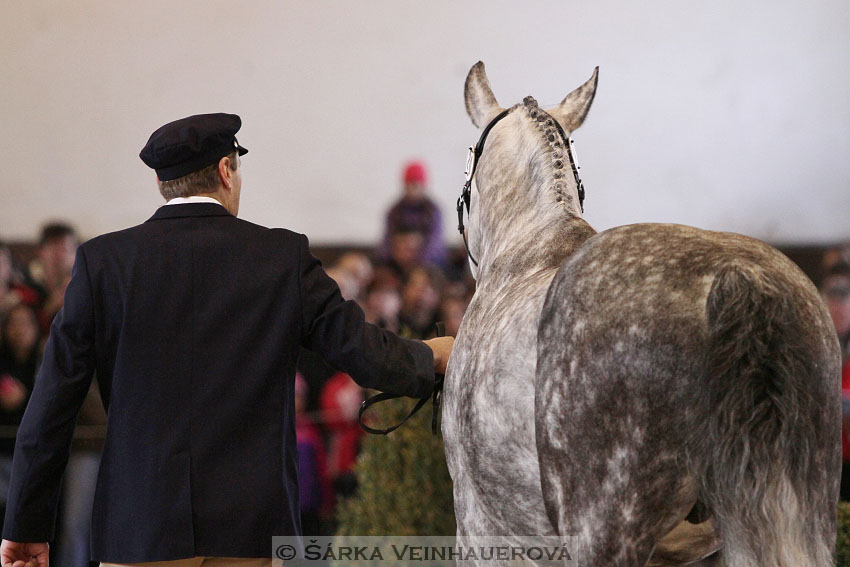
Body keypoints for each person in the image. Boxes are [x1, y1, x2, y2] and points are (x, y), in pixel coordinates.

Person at [0, 113, 454, 567]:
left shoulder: (103, 263)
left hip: (141, 523)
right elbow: (362, 350)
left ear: (160, 181)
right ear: (225, 170)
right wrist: (429, 357)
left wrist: (25, 525)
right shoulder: (282, 257)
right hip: (253, 524)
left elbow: (51, 404)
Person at [379, 161, 446, 267]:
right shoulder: (394, 211)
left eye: (415, 185)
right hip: (397, 265)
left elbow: (435, 243)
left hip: (428, 264)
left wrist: (420, 263)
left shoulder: (432, 211)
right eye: (408, 185)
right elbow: (387, 241)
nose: (411, 190)